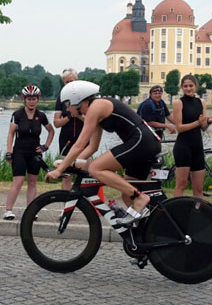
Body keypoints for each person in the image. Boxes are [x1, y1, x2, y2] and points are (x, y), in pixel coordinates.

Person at [45, 80, 161, 225]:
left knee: (95, 168)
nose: (68, 110)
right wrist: (71, 163)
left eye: (68, 105)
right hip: (146, 143)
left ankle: (140, 198)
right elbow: (92, 147)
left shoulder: (96, 107)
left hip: (142, 142)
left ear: (78, 101)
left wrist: (59, 170)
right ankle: (147, 233)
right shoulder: (96, 111)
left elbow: (80, 144)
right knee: (127, 195)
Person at [3, 85, 54, 220]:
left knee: (32, 182)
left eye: (34, 99)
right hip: (19, 152)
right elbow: (11, 134)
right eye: (29, 99)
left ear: (38, 99)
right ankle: (8, 210)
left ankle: (31, 212)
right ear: (24, 100)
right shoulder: (17, 115)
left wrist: (46, 146)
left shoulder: (41, 116)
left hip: (34, 154)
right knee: (18, 182)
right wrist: (9, 152)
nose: (32, 101)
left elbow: (51, 131)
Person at [173, 75, 212, 198]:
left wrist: (209, 121)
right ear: (182, 87)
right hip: (183, 147)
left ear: (196, 86)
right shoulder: (179, 103)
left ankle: (197, 214)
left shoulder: (201, 102)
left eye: (191, 86)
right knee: (181, 184)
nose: (188, 88)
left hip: (197, 147)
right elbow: (179, 128)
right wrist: (197, 123)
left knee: (199, 188)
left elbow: (203, 127)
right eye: (185, 86)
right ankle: (175, 214)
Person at [53, 68, 85, 191]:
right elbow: (56, 123)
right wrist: (70, 116)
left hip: (83, 139)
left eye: (72, 81)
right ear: (63, 83)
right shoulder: (61, 98)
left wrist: (78, 115)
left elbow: (90, 121)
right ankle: (67, 207)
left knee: (84, 174)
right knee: (67, 176)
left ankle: (85, 206)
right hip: (67, 140)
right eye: (67, 82)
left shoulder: (84, 98)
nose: (70, 84)